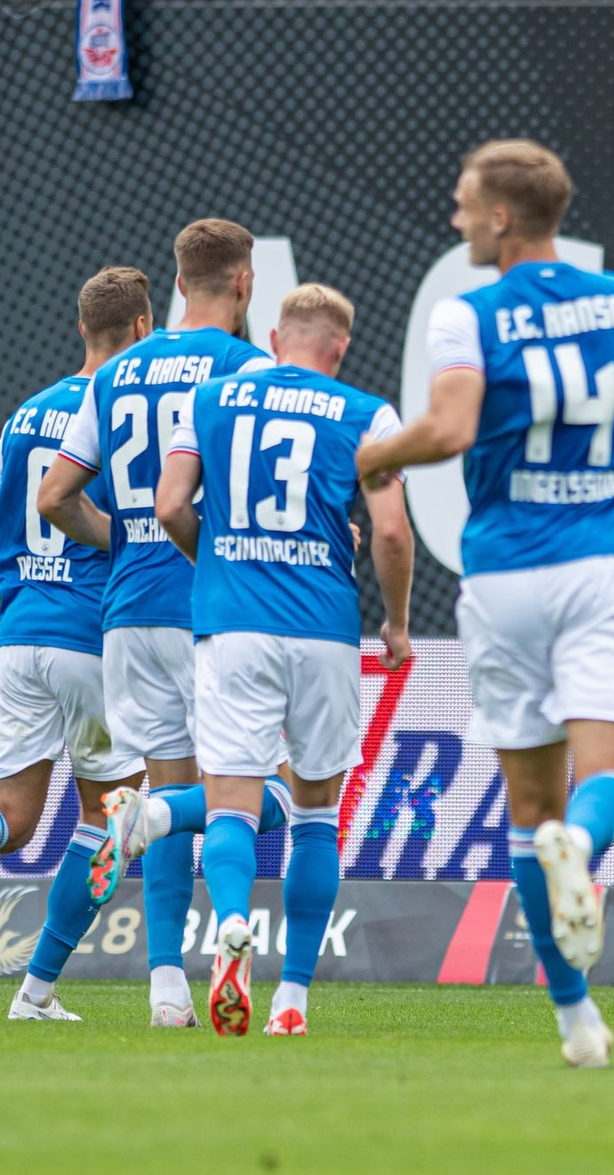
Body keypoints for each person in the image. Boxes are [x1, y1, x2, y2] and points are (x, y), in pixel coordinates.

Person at [356, 139, 614, 1066]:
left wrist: (368, 460)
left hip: (501, 576)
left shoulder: (468, 314)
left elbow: (447, 430)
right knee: (610, 787)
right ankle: (581, 846)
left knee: (527, 810)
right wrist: (610, 434)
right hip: (601, 566)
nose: (455, 218)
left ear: (502, 219)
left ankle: (574, 1017)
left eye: (463, 203)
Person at [38, 219, 292, 1027]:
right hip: (208, 610)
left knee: (175, 784)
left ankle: (166, 993)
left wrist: (125, 535)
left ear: (177, 285)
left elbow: (53, 496)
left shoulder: (115, 374)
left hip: (126, 614)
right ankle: (213, 927)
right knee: (258, 793)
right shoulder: (249, 366)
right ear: (245, 285)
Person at [153, 282, 413, 1036]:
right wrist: (395, 625)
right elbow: (391, 534)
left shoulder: (209, 399)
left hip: (234, 626)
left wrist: (223, 565)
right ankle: (291, 1000)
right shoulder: (368, 414)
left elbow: (171, 505)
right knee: (315, 816)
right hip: (325, 628)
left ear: (274, 339)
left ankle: (231, 922)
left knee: (231, 802)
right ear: (341, 350)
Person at [1, 268, 150, 1020]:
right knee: (113, 818)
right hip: (90, 633)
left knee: (13, 820)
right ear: (142, 328)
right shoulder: (123, 411)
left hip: (19, 629)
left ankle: (38, 995)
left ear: (81, 327)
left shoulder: (24, 415)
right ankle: (36, 991)